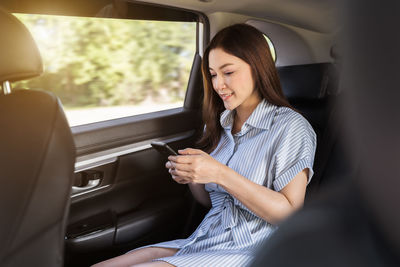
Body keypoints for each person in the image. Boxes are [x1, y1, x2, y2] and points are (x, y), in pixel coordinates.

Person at [92, 23, 316, 267]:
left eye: (228, 72)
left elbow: (290, 215)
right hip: (205, 239)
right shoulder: (219, 123)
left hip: (253, 251)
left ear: (258, 69)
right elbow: (211, 202)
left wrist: (220, 173)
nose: (218, 85)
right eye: (213, 74)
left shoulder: (291, 127)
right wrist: (192, 176)